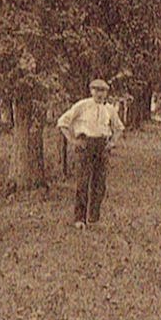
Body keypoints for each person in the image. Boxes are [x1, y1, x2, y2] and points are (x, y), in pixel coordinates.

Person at [56, 78, 124, 228]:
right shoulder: (82, 105)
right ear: (91, 91)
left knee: (99, 184)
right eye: (96, 90)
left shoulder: (109, 109)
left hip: (101, 147)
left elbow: (119, 127)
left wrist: (112, 142)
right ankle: (79, 219)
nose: (99, 94)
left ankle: (93, 218)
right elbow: (62, 122)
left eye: (103, 91)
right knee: (83, 182)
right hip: (85, 145)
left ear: (107, 93)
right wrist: (73, 140)